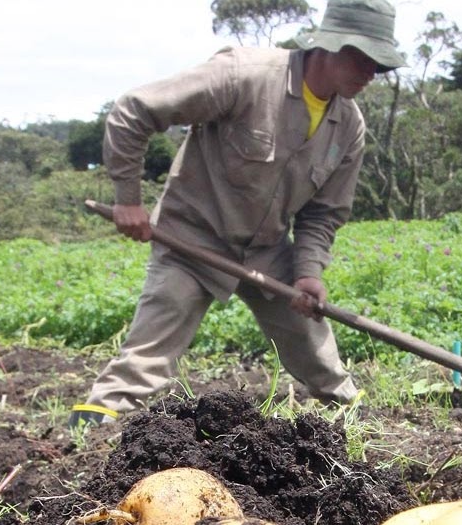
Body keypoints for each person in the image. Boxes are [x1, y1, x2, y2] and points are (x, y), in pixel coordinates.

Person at [68, 0, 406, 427]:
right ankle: (96, 426)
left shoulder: (349, 126)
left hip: (266, 250)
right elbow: (134, 110)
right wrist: (128, 199)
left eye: (379, 65)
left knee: (319, 354)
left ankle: (357, 422)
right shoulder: (244, 75)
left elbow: (323, 213)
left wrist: (308, 272)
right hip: (192, 238)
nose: (371, 73)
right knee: (149, 350)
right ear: (331, 46)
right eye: (364, 59)